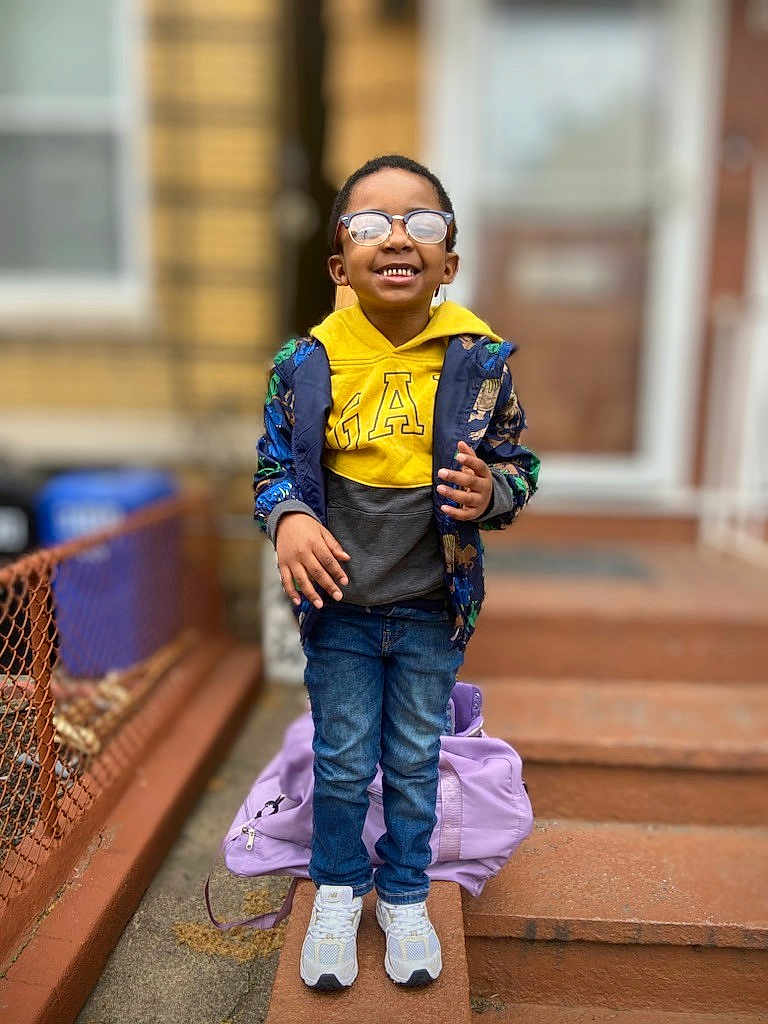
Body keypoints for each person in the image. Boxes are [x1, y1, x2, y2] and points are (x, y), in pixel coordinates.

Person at [253, 154, 540, 990]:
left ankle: (406, 893)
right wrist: (289, 516)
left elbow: (518, 467)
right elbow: (271, 469)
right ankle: (340, 888)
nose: (398, 238)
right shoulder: (304, 364)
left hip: (428, 606)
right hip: (338, 608)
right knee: (344, 758)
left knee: (414, 757)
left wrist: (494, 491)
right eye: (371, 223)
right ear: (342, 264)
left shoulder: (479, 361)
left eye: (422, 222)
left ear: (448, 261)